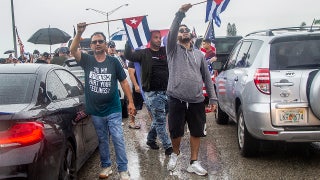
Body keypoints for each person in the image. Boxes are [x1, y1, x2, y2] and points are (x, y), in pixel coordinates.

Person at [70, 22, 135, 180]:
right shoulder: (87, 60)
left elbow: (124, 82)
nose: (97, 44)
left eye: (100, 41)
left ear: (105, 44)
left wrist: (131, 102)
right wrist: (79, 33)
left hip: (113, 108)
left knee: (118, 138)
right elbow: (72, 50)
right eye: (94, 42)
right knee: (102, 139)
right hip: (96, 110)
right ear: (91, 45)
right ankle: (106, 167)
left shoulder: (113, 62)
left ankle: (123, 169)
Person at [166, 4, 218, 176]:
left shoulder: (199, 55)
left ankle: (193, 162)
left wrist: (213, 98)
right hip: (176, 98)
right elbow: (173, 30)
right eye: (181, 31)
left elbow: (207, 78)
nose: (183, 32)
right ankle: (176, 153)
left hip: (196, 100)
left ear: (191, 34)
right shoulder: (172, 50)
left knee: (196, 132)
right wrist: (180, 13)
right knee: (176, 131)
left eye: (186, 30)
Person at [124, 30, 173, 155]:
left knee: (158, 119)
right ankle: (168, 147)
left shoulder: (165, 51)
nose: (158, 39)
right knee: (161, 120)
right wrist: (129, 40)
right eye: (155, 37)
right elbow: (128, 55)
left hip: (166, 91)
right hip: (152, 93)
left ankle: (150, 139)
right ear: (150, 40)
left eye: (159, 37)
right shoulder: (143, 53)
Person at [127, 61, 143, 129]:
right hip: (138, 86)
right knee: (135, 105)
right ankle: (131, 122)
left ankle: (154, 124)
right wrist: (136, 85)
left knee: (150, 105)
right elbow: (131, 73)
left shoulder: (144, 56)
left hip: (145, 85)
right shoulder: (133, 60)